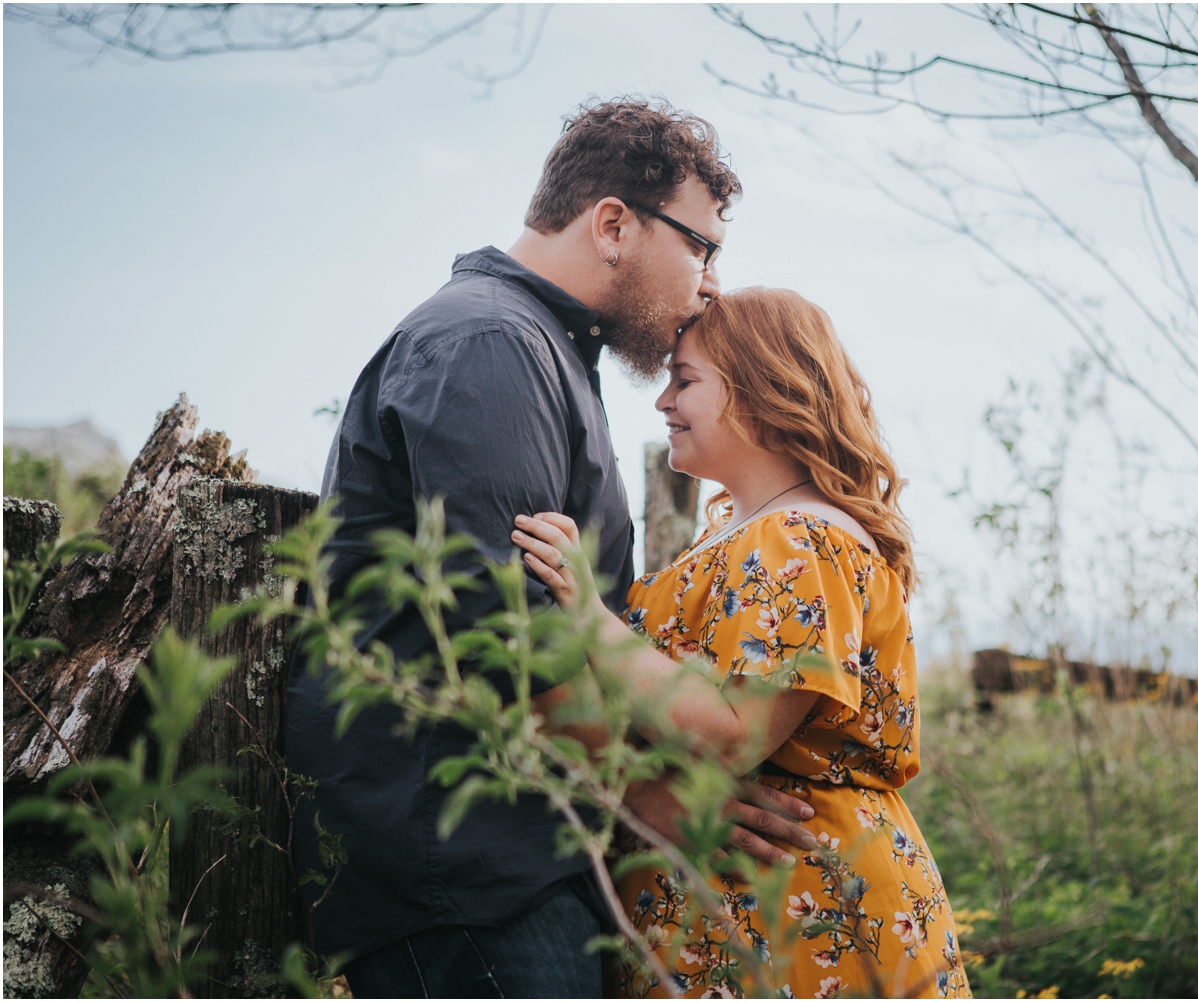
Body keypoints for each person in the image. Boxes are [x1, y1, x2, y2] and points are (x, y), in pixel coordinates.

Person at [288, 100, 818, 999]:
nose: (712, 283)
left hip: (518, 860)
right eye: (701, 246)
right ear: (613, 224)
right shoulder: (491, 345)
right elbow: (509, 627)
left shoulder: (538, 348)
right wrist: (650, 800)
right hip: (465, 870)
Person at [513, 288, 973, 999]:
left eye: (686, 380)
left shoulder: (801, 539)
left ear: (763, 393)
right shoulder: (740, 536)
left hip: (800, 909)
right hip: (730, 906)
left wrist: (588, 614)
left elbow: (732, 732)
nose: (663, 401)